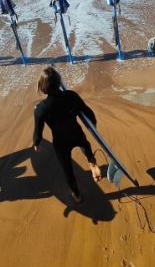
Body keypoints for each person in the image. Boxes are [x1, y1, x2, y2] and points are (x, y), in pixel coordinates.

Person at [32, 67, 102, 203]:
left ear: (42, 87)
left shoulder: (40, 109)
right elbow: (88, 113)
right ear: (59, 82)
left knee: (68, 170)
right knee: (84, 144)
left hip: (61, 142)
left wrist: (37, 143)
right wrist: (93, 125)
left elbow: (37, 131)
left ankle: (77, 195)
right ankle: (91, 160)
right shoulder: (71, 96)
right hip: (76, 132)